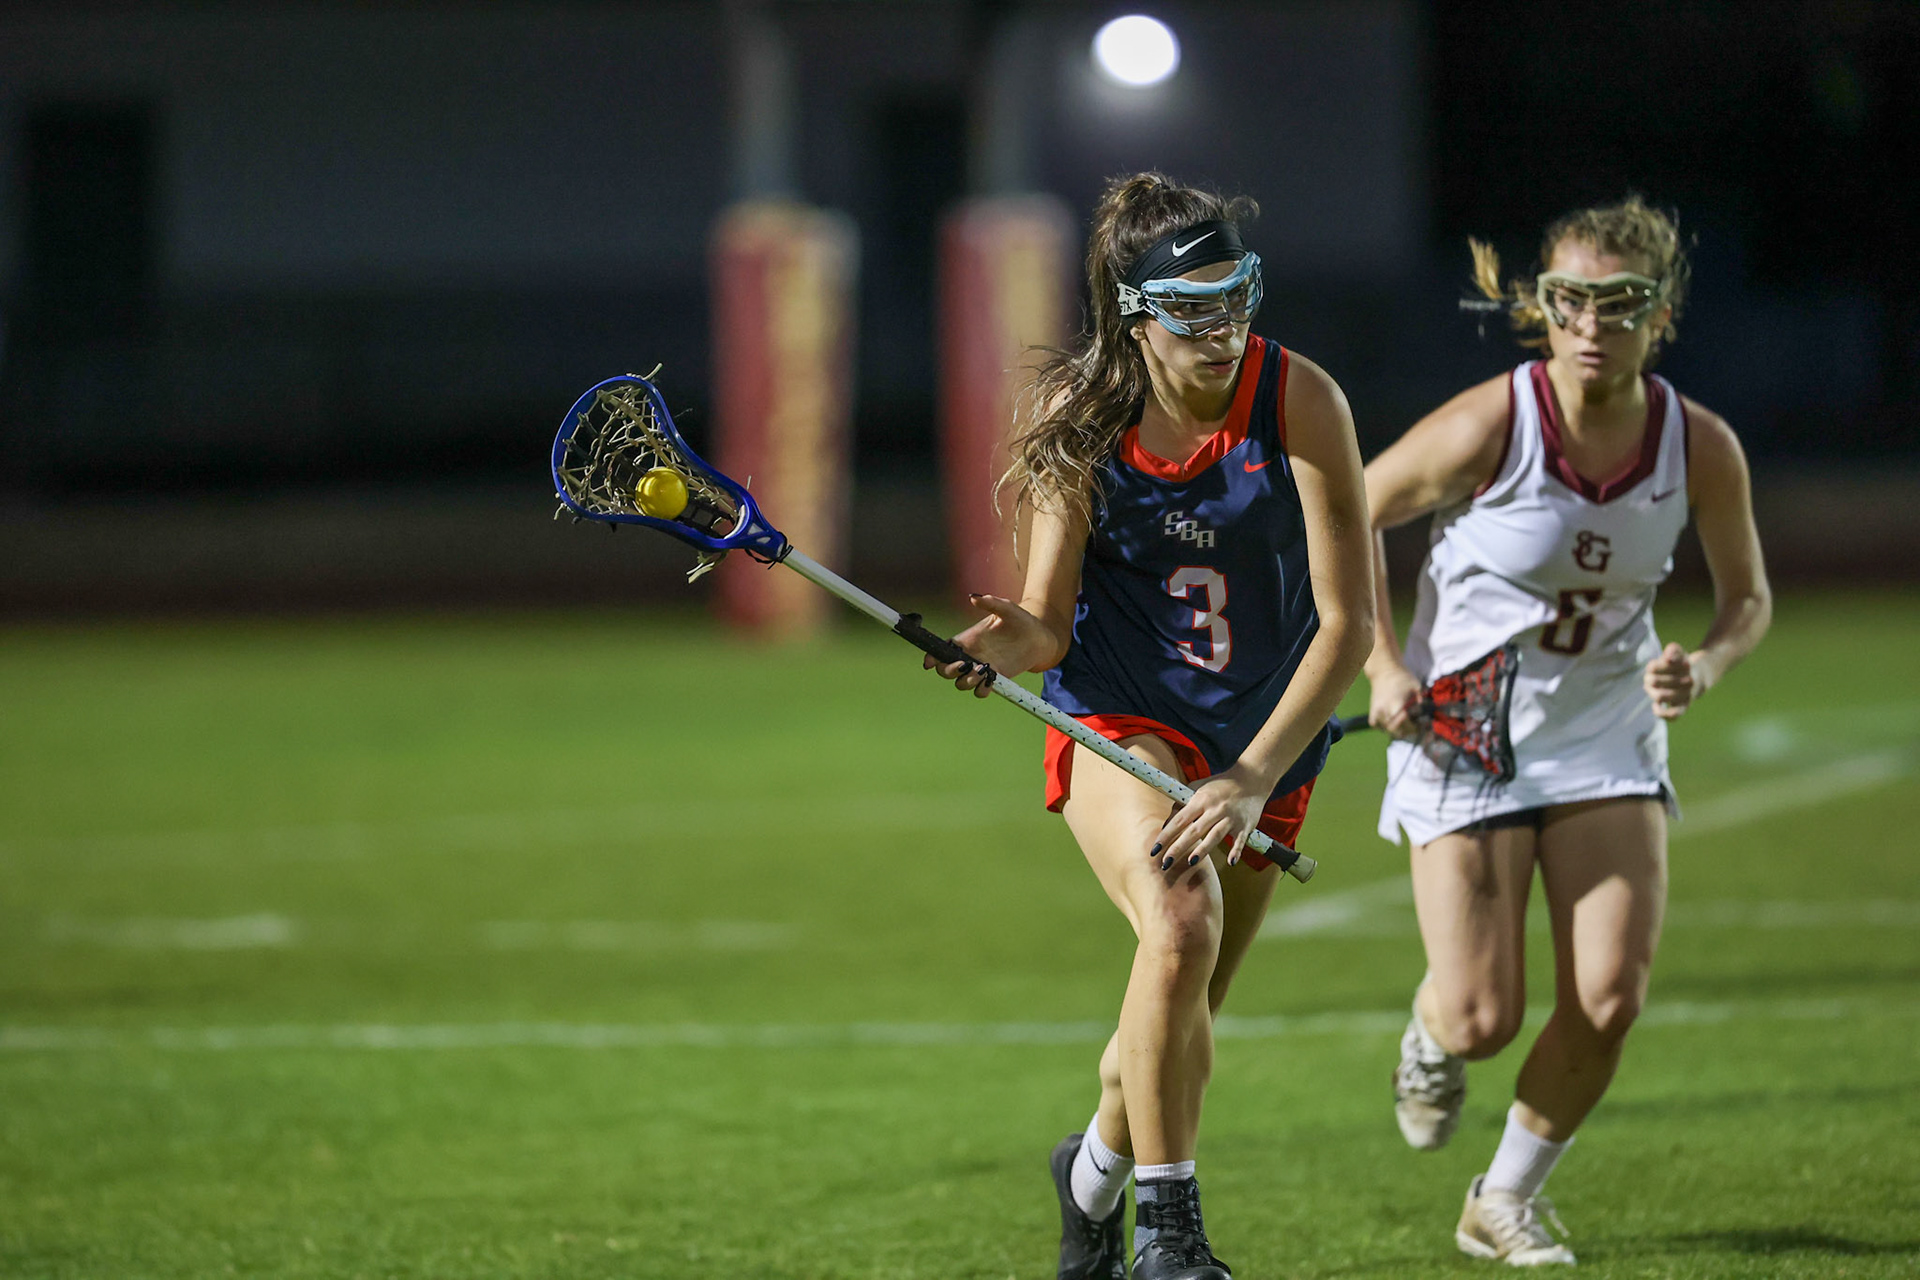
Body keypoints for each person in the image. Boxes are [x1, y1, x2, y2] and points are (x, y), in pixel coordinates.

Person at [926, 173, 1372, 1280]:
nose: (1223, 332)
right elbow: (1045, 622)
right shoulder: (1083, 419)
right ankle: (1170, 1238)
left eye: (1237, 299)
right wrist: (1006, 645)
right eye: (1193, 311)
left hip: (1263, 735)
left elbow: (1350, 624)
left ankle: (1087, 1181)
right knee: (1178, 922)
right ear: (1134, 313)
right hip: (1121, 710)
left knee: (1178, 1013)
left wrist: (1253, 773)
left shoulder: (1298, 397)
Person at [1363, 196, 1771, 1265]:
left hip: (1604, 734)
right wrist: (1380, 662)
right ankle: (1432, 1026)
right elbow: (1349, 509)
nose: (1593, 323)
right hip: (1467, 733)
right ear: (1541, 306)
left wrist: (1705, 663)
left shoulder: (1699, 444)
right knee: (1482, 1018)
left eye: (1620, 302)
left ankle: (1501, 1198)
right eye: (1570, 299)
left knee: (1609, 995)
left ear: (1661, 314)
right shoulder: (1490, 424)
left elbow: (1748, 599)